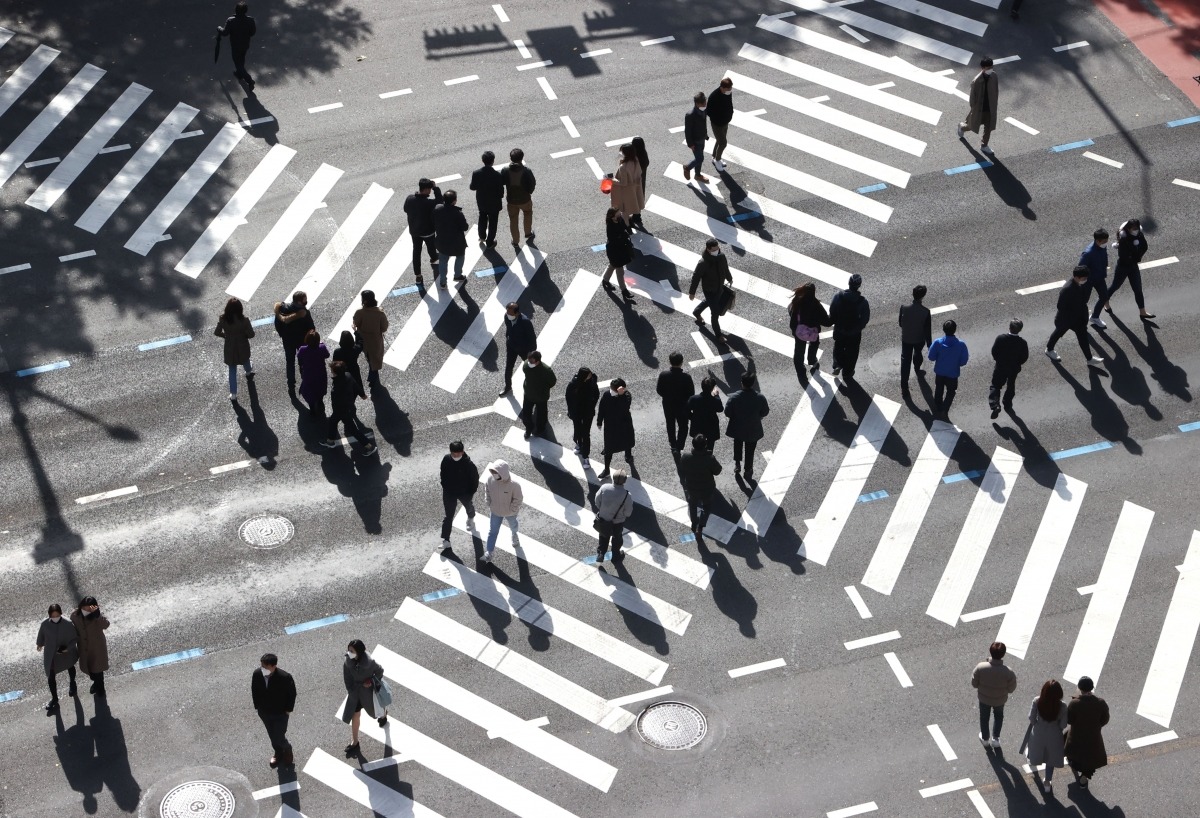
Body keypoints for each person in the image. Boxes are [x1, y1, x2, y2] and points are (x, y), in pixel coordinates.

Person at [1046, 266, 1105, 369]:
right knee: (1058, 333)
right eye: (1084, 278)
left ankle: (1089, 359)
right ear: (1077, 277)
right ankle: (1049, 349)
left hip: (1077, 320)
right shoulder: (1067, 289)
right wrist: (1072, 313)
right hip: (1066, 320)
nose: (1085, 280)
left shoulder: (1078, 284)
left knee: (1083, 338)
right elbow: (1060, 306)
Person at [340, 640, 390, 758]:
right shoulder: (348, 661)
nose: (349, 653)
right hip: (355, 693)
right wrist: (351, 690)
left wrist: (370, 681)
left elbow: (380, 671)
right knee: (355, 715)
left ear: (359, 652)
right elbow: (347, 677)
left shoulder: (370, 663)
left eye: (352, 651)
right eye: (349, 650)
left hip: (368, 694)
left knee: (376, 710)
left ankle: (384, 715)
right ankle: (355, 741)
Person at [1099, 218, 1154, 321]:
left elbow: (1145, 246)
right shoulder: (1124, 240)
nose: (1136, 230)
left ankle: (1142, 312)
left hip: (1133, 266)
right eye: (1133, 228)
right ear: (1128, 229)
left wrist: (1137, 254)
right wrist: (1135, 250)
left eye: (1137, 228)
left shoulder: (1139, 235)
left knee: (1138, 289)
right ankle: (1105, 301)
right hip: (1123, 267)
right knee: (1115, 286)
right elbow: (1124, 256)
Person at [322, 360, 377, 455]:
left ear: (335, 372)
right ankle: (330, 441)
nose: (331, 371)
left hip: (342, 410)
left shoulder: (337, 387)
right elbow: (356, 386)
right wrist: (362, 395)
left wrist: (337, 413)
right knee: (333, 422)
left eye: (332, 370)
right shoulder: (348, 375)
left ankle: (369, 446)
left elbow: (336, 402)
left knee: (352, 430)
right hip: (348, 407)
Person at [251, 653, 296, 769]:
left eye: (265, 666)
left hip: (280, 714)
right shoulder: (257, 674)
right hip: (264, 712)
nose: (262, 669)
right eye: (262, 665)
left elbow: (292, 694)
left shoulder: (285, 677)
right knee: (272, 735)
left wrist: (287, 710)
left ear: (273, 666)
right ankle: (278, 752)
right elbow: (254, 690)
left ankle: (287, 749)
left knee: (279, 736)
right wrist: (258, 707)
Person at [1065, 676, 1109, 789]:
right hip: (1094, 737)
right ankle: (1084, 777)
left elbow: (1069, 720)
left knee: (1073, 752)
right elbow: (1105, 719)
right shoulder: (1100, 703)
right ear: (1092, 688)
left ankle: (1074, 764)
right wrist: (1095, 726)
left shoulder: (1074, 703)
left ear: (1079, 688)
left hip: (1076, 735)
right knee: (1091, 757)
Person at [972, 641, 1017, 748]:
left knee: (984, 717)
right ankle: (995, 738)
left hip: (984, 699)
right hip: (1000, 700)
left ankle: (985, 738)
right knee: (998, 717)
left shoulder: (981, 667)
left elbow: (974, 683)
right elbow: (1011, 688)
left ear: (990, 652)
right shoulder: (1008, 672)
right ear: (1003, 654)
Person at [1025, 679, 1068, 793]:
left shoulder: (1037, 701)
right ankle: (1047, 783)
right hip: (1054, 735)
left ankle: (1032, 762)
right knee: (1050, 760)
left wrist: (1037, 725)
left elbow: (1031, 718)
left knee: (1035, 750)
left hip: (1038, 732)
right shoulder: (1063, 706)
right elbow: (1063, 724)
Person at [724, 372, 769, 479]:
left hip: (737, 427)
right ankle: (748, 470)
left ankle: (737, 464)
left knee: (737, 444)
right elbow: (765, 412)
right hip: (753, 428)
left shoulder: (734, 397)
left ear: (741, 383)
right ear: (753, 383)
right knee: (750, 450)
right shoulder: (760, 397)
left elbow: (727, 412)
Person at [828, 274, 870, 381]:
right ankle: (847, 372)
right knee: (852, 352)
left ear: (848, 283)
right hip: (854, 333)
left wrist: (836, 321)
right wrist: (858, 327)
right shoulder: (863, 302)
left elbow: (832, 310)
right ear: (859, 285)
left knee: (838, 346)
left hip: (840, 329)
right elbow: (865, 319)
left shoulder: (838, 296)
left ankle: (837, 364)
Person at [690, 238, 733, 342]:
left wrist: (729, 278)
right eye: (714, 250)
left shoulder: (721, 256)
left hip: (719, 287)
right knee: (715, 312)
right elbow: (696, 277)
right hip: (708, 289)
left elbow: (725, 268)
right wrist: (692, 292)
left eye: (717, 248)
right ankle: (719, 335)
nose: (717, 251)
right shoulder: (703, 263)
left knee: (709, 302)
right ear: (708, 249)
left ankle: (696, 312)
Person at [36, 603, 78, 712]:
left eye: (57, 615)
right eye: (52, 616)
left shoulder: (68, 624)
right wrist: (39, 644)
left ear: (61, 613)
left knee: (70, 666)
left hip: (65, 653)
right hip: (51, 655)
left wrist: (67, 648)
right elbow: (41, 635)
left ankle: (72, 683)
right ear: (49, 615)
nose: (55, 618)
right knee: (51, 676)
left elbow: (75, 639)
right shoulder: (45, 624)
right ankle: (54, 699)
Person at [439, 441, 479, 551]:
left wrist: (470, 492)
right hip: (449, 493)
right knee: (448, 516)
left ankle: (471, 517)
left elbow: (474, 479)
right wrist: (445, 486)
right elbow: (442, 473)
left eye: (458, 454)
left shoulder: (468, 464)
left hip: (464, 493)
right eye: (453, 454)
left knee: (468, 506)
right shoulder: (446, 459)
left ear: (462, 452)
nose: (455, 456)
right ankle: (446, 540)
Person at [679, 433, 722, 535]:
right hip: (707, 488)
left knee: (692, 505)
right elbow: (718, 471)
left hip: (691, 487)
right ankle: (701, 526)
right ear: (705, 445)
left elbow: (681, 470)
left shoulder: (686, 457)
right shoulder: (709, 458)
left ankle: (694, 523)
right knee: (706, 507)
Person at [215, 296, 255, 401]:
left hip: (229, 348)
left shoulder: (223, 319)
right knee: (246, 361)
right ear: (240, 309)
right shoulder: (245, 320)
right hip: (242, 346)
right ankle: (248, 371)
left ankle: (233, 394)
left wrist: (226, 336)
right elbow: (251, 334)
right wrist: (244, 335)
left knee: (232, 370)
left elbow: (217, 332)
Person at [928, 319, 969, 421]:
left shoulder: (938, 343)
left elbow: (931, 357)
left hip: (940, 373)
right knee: (951, 392)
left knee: (939, 388)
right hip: (953, 374)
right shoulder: (961, 345)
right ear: (955, 330)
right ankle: (945, 410)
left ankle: (938, 405)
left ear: (943, 329)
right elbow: (963, 361)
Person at [273, 290, 315, 392]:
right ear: (300, 302)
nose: (306, 302)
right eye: (305, 300)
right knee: (303, 362)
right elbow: (311, 328)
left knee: (290, 362)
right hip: (301, 341)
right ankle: (305, 382)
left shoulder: (283, 309)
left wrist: (282, 334)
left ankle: (291, 386)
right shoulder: (304, 313)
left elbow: (277, 324)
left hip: (287, 340)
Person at [403, 178, 441, 284]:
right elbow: (440, 201)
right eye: (430, 189)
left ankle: (418, 275)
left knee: (416, 252)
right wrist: (436, 188)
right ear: (427, 189)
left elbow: (405, 209)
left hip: (414, 231)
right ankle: (434, 259)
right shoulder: (428, 203)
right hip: (428, 231)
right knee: (431, 247)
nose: (430, 191)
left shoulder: (409, 198)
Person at [483, 460, 522, 562]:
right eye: (493, 472)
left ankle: (514, 535)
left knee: (513, 526)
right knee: (492, 532)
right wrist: (488, 501)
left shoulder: (514, 485)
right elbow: (487, 490)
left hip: (510, 513)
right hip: (495, 511)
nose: (494, 474)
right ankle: (489, 552)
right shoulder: (490, 480)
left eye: (496, 472)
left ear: (503, 473)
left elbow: (518, 499)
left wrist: (512, 509)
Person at [957, 57, 998, 155]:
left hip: (990, 108)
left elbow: (996, 91)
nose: (990, 69)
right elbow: (972, 99)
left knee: (988, 127)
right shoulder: (976, 81)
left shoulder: (994, 76)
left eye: (991, 67)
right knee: (972, 126)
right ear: (983, 68)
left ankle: (984, 145)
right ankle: (962, 127)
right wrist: (974, 108)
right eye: (988, 68)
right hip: (979, 109)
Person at [70, 597, 109, 698]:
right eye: (84, 609)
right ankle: (96, 683)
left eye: (89, 609)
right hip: (84, 648)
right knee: (90, 670)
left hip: (97, 647)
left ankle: (100, 689)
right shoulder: (75, 616)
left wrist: (97, 615)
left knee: (98, 671)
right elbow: (71, 629)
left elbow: (106, 625)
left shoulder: (97, 616)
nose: (86, 611)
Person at [989, 319, 1029, 417]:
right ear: (1020, 330)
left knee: (996, 385)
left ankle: (995, 405)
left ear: (1009, 327)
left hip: (1001, 367)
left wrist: (998, 360)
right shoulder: (1022, 342)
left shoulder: (1001, 338)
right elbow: (1024, 357)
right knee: (1011, 384)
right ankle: (1007, 403)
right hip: (1014, 368)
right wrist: (1018, 364)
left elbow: (994, 351)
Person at [656, 352, 695, 453]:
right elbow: (691, 393)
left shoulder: (663, 375)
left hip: (668, 404)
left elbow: (659, 390)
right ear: (682, 362)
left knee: (670, 423)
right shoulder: (686, 377)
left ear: (670, 361)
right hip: (682, 406)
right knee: (683, 426)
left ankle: (672, 444)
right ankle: (679, 446)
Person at [597, 378, 635, 479]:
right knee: (609, 448)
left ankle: (628, 455)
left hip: (624, 425)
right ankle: (606, 469)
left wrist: (621, 395)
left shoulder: (626, 395)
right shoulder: (606, 395)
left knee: (627, 441)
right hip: (611, 426)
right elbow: (602, 408)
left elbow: (624, 407)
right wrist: (599, 421)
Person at [788, 282, 829, 375]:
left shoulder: (797, 302)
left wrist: (794, 330)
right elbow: (826, 321)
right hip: (812, 332)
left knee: (799, 350)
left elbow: (791, 312)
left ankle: (800, 369)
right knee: (814, 344)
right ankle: (812, 360)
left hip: (799, 331)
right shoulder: (817, 305)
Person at [351, 290, 388, 392]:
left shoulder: (359, 312)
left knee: (369, 358)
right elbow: (384, 328)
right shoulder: (380, 313)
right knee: (375, 358)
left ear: (365, 301)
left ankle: (373, 376)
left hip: (363, 340)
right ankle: (373, 375)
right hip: (375, 340)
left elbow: (356, 323)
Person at [593, 469, 633, 562]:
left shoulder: (604, 488)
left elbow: (597, 502)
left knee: (603, 537)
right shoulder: (627, 495)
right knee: (617, 539)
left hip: (603, 519)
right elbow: (628, 513)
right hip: (617, 523)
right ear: (625, 481)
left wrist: (604, 511)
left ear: (613, 478)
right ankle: (615, 556)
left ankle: (600, 554)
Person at [498, 302, 537, 396]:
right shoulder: (507, 316)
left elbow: (532, 338)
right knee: (508, 367)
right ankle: (508, 387)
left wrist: (531, 353)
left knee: (530, 369)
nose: (508, 314)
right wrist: (508, 338)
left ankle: (533, 387)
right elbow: (508, 329)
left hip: (524, 350)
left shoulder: (525, 322)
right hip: (512, 346)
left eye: (510, 313)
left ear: (517, 313)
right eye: (507, 311)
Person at [500, 148, 537, 247]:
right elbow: (532, 184)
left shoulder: (505, 170)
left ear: (510, 158)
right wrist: (529, 192)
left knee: (513, 220)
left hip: (511, 201)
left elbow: (501, 182)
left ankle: (515, 241)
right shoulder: (526, 171)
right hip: (525, 199)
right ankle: (528, 233)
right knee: (528, 214)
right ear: (522, 158)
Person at [217, 1, 257, 92]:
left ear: (236, 10)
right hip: (245, 44)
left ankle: (250, 80)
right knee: (241, 59)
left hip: (235, 45)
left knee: (238, 63)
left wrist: (219, 28)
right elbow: (252, 33)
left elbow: (225, 33)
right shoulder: (250, 20)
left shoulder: (231, 20)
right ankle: (239, 73)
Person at [433, 189, 469, 288]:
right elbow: (465, 227)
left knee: (443, 260)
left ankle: (443, 282)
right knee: (460, 257)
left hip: (442, 240)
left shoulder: (437, 208)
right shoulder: (458, 213)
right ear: (454, 201)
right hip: (457, 242)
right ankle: (457, 275)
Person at [565, 367, 600, 469]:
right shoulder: (573, 384)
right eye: (588, 375)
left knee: (586, 434)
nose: (590, 376)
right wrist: (571, 411)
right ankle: (579, 443)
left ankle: (586, 456)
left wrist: (592, 405)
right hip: (577, 412)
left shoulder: (592, 382)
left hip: (588, 413)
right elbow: (568, 398)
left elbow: (596, 394)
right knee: (577, 429)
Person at [898, 284, 932, 386]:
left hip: (906, 339)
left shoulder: (903, 308)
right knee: (917, 353)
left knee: (905, 361)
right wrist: (929, 344)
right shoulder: (925, 312)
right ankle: (917, 368)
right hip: (919, 339)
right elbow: (927, 330)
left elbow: (900, 323)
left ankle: (904, 386)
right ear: (923, 296)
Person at [469, 150, 504, 247]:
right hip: (494, 203)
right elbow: (501, 192)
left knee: (482, 217)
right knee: (493, 223)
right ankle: (490, 242)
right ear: (493, 161)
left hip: (482, 201)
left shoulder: (476, 173)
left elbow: (472, 187)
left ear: (482, 160)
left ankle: (482, 236)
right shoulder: (497, 175)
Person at [520, 350, 556, 440]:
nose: (529, 363)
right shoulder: (526, 365)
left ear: (538, 361)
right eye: (529, 360)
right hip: (529, 395)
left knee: (541, 415)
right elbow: (551, 383)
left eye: (531, 361)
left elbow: (553, 381)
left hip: (541, 397)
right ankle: (529, 428)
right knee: (526, 414)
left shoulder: (546, 370)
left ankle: (540, 429)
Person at [1078, 228, 1110, 328]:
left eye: (1106, 241)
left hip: (1099, 278)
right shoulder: (1088, 253)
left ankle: (1095, 317)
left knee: (1104, 296)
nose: (1106, 243)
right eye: (1104, 241)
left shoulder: (1102, 247)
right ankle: (1079, 321)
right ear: (1097, 241)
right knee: (1083, 302)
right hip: (1088, 281)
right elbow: (1080, 268)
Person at [609, 144, 646, 230]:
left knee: (624, 211)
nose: (620, 153)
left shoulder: (623, 167)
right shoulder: (636, 161)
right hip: (634, 190)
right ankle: (630, 224)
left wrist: (612, 180)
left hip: (625, 192)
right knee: (629, 209)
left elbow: (623, 183)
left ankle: (628, 228)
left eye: (621, 151)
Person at [602, 207, 634, 300]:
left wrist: (626, 234)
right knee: (620, 271)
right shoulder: (610, 225)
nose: (620, 212)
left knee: (612, 265)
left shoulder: (620, 219)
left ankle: (605, 280)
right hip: (614, 250)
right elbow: (613, 239)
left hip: (620, 248)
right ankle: (624, 291)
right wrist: (622, 237)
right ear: (613, 216)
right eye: (618, 212)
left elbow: (624, 229)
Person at [296, 329, 330, 416]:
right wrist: (322, 344)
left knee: (309, 391)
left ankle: (312, 409)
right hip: (320, 373)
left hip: (308, 374)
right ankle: (320, 401)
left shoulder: (303, 349)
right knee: (320, 388)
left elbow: (299, 358)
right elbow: (327, 355)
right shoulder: (322, 348)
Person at [688, 376, 723, 453]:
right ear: (712, 388)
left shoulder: (693, 399)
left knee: (697, 444)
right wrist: (717, 396)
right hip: (711, 426)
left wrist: (693, 418)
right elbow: (720, 409)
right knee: (710, 447)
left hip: (697, 426)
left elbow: (686, 411)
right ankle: (708, 461)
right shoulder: (714, 400)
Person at [707, 77, 734, 172]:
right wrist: (719, 116)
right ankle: (717, 160)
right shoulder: (714, 97)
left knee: (719, 140)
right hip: (717, 124)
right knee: (723, 143)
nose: (730, 91)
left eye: (731, 89)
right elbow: (709, 111)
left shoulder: (728, 93)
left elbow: (729, 104)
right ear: (722, 88)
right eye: (728, 89)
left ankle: (714, 157)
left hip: (725, 122)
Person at [683, 92, 710, 183]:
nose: (705, 105)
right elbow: (687, 131)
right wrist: (690, 144)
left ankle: (697, 175)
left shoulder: (704, 110)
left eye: (705, 103)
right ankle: (687, 167)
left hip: (702, 138)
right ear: (697, 104)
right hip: (695, 141)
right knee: (700, 158)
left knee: (700, 158)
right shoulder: (690, 115)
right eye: (703, 104)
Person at [333, 330, 364, 395]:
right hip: (354, 371)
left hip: (342, 374)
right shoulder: (355, 350)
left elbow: (334, 364)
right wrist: (356, 332)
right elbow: (361, 343)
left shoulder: (337, 352)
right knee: (355, 388)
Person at [630, 136, 650, 230]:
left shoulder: (633, 158)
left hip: (633, 182)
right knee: (639, 197)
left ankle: (632, 218)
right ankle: (637, 216)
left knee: (632, 198)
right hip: (641, 181)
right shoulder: (644, 155)